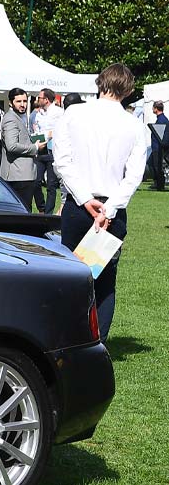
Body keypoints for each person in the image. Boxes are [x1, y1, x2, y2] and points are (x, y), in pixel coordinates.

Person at [52, 63, 151, 341]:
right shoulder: (133, 124)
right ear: (128, 90)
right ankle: (96, 343)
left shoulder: (74, 113)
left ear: (100, 83)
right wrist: (108, 207)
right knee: (105, 282)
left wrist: (85, 199)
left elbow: (62, 162)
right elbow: (134, 176)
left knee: (73, 278)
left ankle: (67, 339)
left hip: (79, 206)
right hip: (110, 209)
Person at [0, 87, 44, 210]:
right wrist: (34, 147)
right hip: (18, 175)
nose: (23, 105)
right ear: (10, 102)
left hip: (23, 174)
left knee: (23, 210)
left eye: (25, 101)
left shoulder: (20, 117)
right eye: (18, 101)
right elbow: (12, 146)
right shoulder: (11, 119)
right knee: (22, 211)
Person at [32, 88, 63, 214]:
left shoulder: (58, 112)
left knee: (51, 185)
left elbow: (59, 130)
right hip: (40, 150)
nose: (37, 99)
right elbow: (37, 129)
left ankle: (48, 213)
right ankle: (42, 207)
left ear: (46, 100)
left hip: (52, 151)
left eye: (39, 97)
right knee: (36, 181)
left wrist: (49, 135)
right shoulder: (39, 114)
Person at [148, 101, 167, 192]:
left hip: (158, 147)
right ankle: (158, 183)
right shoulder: (162, 119)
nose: (152, 109)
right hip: (157, 146)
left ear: (156, 108)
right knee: (155, 165)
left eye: (153, 107)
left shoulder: (161, 120)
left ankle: (159, 184)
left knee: (157, 166)